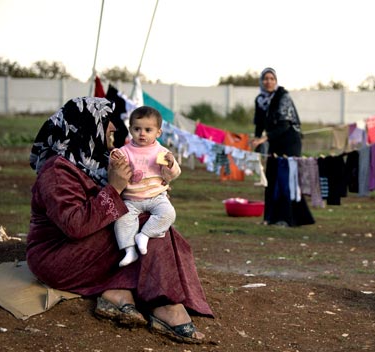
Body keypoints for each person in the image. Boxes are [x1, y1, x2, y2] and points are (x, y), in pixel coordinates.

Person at [27, 97, 212, 344]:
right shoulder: (56, 171)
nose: (114, 127)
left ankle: (118, 292)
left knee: (152, 221)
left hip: (87, 245)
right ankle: (164, 304)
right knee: (147, 225)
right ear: (86, 125)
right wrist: (114, 187)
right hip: (57, 256)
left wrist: (155, 186)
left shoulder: (92, 160)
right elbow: (74, 225)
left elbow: (128, 195)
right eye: (106, 121)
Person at [111, 106, 181, 267]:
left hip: (156, 196)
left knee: (168, 213)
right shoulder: (125, 151)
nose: (142, 134)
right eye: (137, 129)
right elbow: (116, 165)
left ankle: (144, 235)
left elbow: (174, 174)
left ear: (158, 133)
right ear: (130, 130)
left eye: (148, 130)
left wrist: (171, 164)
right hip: (132, 198)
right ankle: (129, 250)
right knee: (122, 220)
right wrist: (114, 159)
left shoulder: (162, 152)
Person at [250, 67, 314, 227]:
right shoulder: (260, 100)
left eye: (272, 79)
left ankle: (287, 219)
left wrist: (264, 138)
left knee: (286, 178)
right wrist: (256, 142)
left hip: (290, 141)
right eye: (265, 78)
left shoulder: (283, 97)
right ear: (261, 81)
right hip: (275, 141)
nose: (268, 82)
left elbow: (284, 125)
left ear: (276, 81)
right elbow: (259, 123)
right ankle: (269, 218)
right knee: (271, 177)